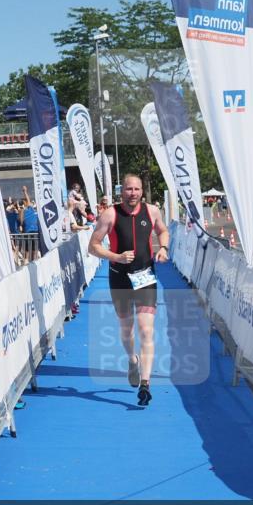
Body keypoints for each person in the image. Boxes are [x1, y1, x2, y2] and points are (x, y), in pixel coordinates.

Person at [88, 173, 170, 407]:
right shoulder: (110, 214)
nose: (132, 193)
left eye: (136, 189)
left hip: (145, 277)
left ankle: (145, 384)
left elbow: (163, 231)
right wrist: (117, 257)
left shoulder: (152, 211)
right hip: (120, 279)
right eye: (128, 189)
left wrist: (163, 247)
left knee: (146, 330)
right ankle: (132, 360)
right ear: (121, 191)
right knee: (127, 330)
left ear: (142, 191)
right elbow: (92, 246)